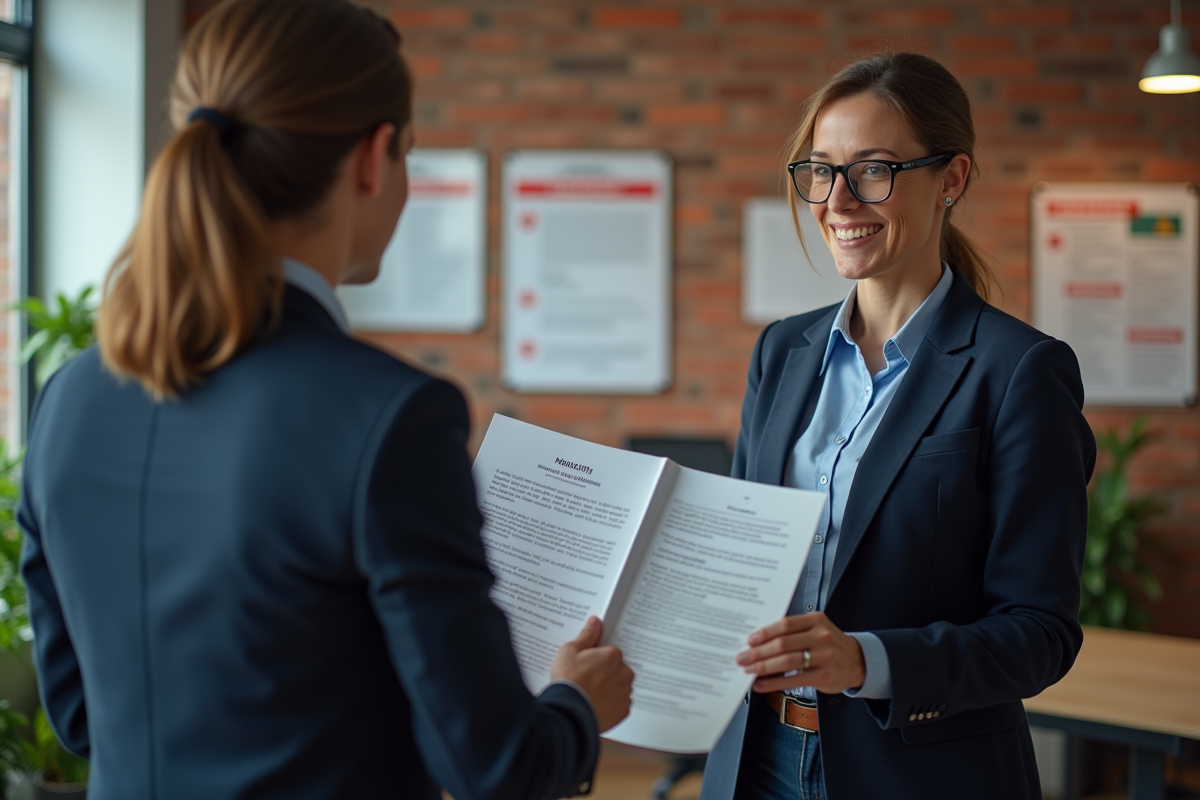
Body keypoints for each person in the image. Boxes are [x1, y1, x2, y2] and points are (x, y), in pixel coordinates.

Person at [17, 1, 633, 798]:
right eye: (408, 154)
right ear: (375, 158)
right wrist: (576, 706)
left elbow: (78, 714)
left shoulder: (68, 399)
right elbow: (496, 766)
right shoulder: (389, 417)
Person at [700, 53, 1096, 800]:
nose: (838, 200)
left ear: (951, 179)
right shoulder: (781, 351)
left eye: (873, 169)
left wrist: (865, 660)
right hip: (755, 760)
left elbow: (1041, 633)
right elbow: (741, 556)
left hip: (922, 774)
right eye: (820, 170)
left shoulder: (1019, 371)